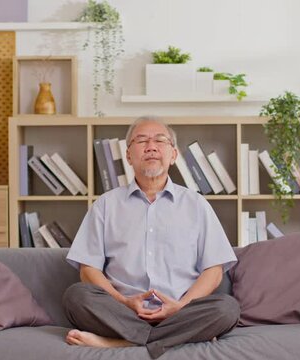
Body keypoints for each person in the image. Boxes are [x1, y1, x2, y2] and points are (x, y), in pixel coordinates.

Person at [63, 116, 239, 359]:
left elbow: (214, 270)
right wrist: (124, 303)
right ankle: (171, 339)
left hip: (181, 311)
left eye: (160, 140)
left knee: (227, 309)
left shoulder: (196, 204)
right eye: (142, 140)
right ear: (128, 156)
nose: (151, 146)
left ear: (174, 154)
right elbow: (88, 270)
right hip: (120, 312)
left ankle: (122, 343)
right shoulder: (106, 205)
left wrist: (180, 307)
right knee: (76, 296)